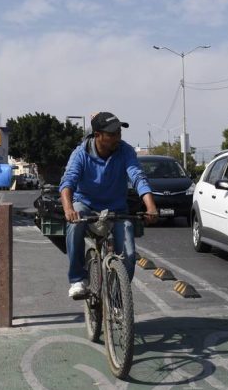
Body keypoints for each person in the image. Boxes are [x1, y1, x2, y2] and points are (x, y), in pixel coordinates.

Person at [59, 112, 159, 299]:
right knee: (74, 224)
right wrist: (68, 209)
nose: (117, 138)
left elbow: (137, 177)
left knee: (129, 254)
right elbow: (67, 183)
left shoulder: (125, 151)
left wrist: (150, 206)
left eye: (119, 133)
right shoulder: (81, 154)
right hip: (86, 205)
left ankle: (117, 297)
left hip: (116, 209)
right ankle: (77, 279)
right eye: (112, 134)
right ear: (98, 135)